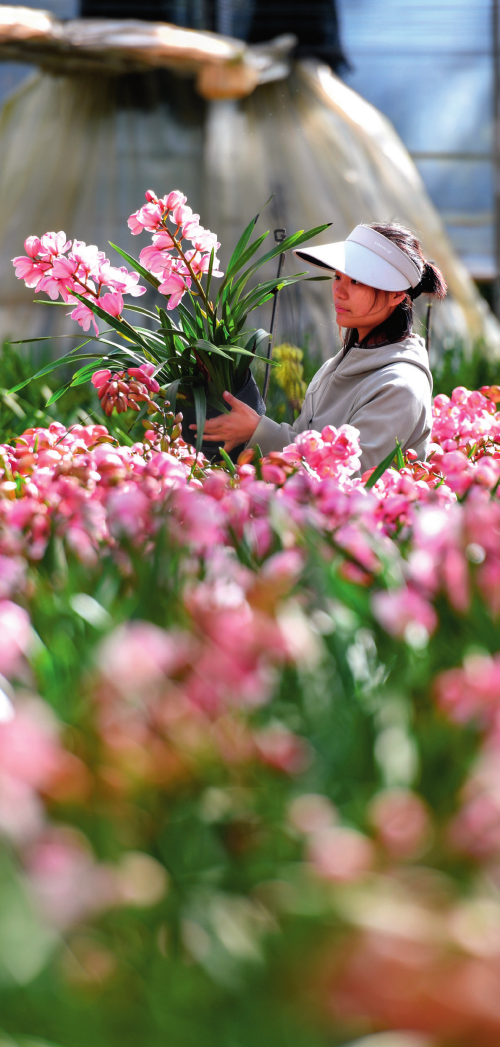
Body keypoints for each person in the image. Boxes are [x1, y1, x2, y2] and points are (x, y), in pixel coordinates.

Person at [191, 222, 447, 471]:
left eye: (357, 281)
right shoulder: (335, 366)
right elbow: (305, 441)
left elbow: (351, 476)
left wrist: (258, 431)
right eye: (338, 276)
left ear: (397, 295)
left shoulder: (399, 387)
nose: (339, 291)